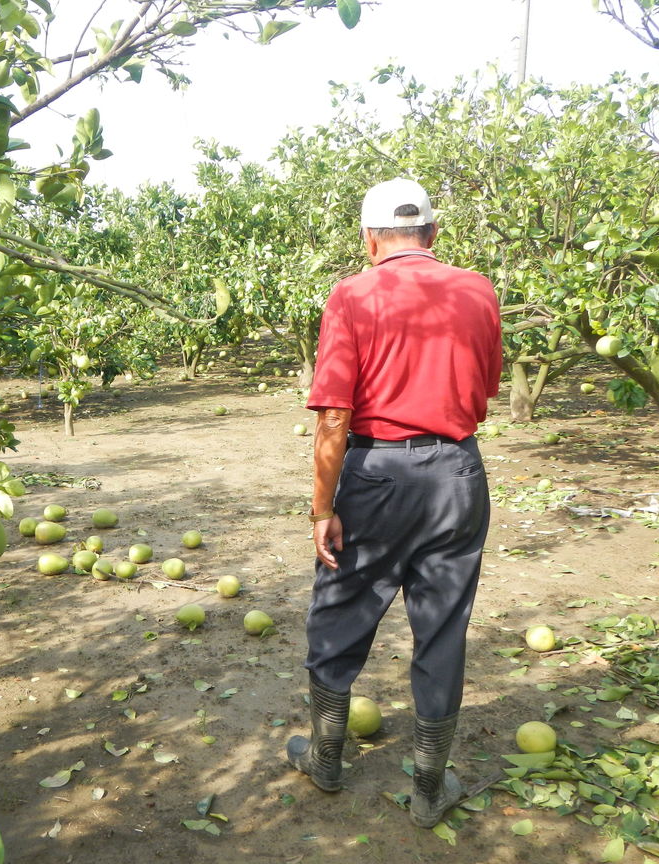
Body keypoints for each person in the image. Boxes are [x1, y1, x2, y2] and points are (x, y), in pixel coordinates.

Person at [285, 177, 502, 829]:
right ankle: (429, 790)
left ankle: (326, 759)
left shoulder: (352, 295)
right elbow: (484, 390)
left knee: (341, 609)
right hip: (456, 475)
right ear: (433, 235)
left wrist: (323, 508)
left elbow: (332, 418)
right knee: (442, 628)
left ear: (369, 239)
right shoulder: (478, 290)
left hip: (374, 473)